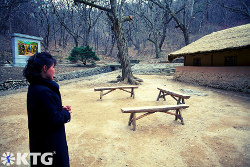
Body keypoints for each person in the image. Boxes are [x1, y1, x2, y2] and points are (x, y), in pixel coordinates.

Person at [23, 52, 71, 166]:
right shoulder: (44, 91)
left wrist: (59, 108)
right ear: (45, 68)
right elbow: (53, 119)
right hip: (50, 144)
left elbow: (43, 113)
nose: (54, 70)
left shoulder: (35, 87)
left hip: (40, 142)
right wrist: (66, 113)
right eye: (53, 67)